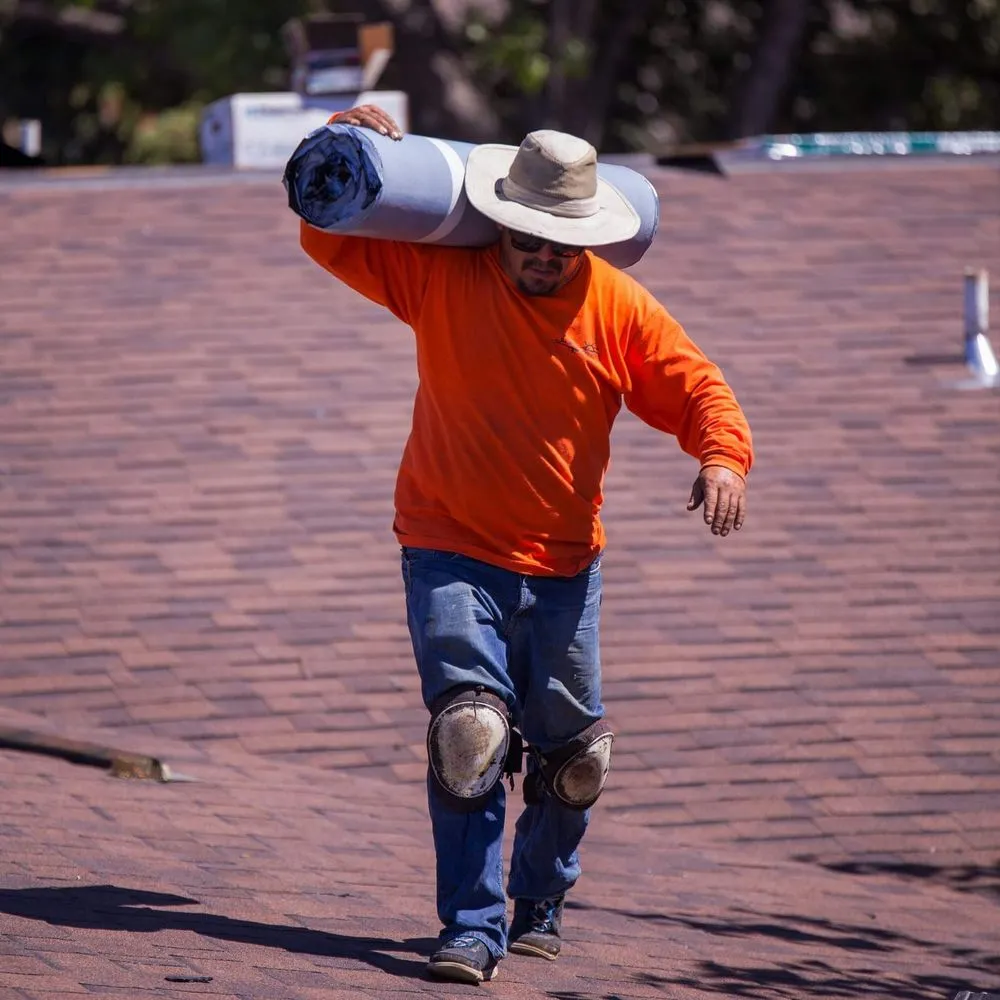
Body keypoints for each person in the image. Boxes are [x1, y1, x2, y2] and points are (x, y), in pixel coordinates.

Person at [298, 104, 753, 986]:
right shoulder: (443, 275)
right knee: (470, 735)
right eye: (528, 238)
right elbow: (327, 222)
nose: (544, 256)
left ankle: (540, 896)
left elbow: (701, 390)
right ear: (500, 223)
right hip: (446, 544)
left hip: (564, 567)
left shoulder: (618, 308)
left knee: (575, 758)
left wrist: (724, 460)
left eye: (562, 243)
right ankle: (471, 926)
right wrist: (345, 139)